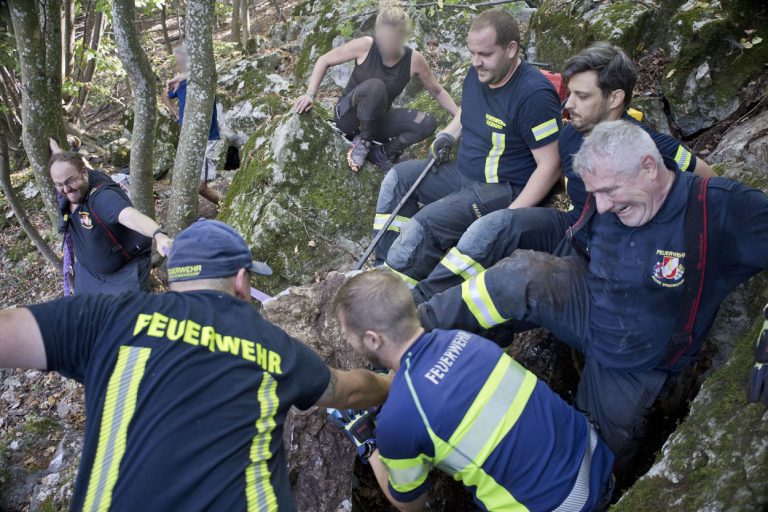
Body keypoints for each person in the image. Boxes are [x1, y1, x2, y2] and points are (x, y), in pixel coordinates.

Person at [419, 120, 768, 471]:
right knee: (516, 276)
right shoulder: (616, 197)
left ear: (649, 166)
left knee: (591, 463)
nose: (600, 207)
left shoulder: (718, 208)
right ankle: (417, 330)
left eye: (609, 191)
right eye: (594, 192)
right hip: (590, 304)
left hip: (634, 361)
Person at [0, 219, 391, 510]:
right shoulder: (274, 348)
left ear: (173, 281)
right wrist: (391, 382)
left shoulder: (107, 317)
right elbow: (349, 389)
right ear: (241, 281)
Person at [412, 42, 715, 303]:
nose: (568, 105)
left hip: (607, 253)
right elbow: (553, 174)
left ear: (615, 98)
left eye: (582, 96)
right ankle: (420, 302)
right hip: (568, 228)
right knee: (492, 227)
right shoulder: (570, 135)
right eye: (569, 94)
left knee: (515, 279)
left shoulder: (649, 146)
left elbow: (707, 178)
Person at [329, 270, 615, 512]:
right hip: (598, 460)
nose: (348, 341)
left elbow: (409, 504)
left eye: (347, 335)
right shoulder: (461, 338)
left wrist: (368, 441)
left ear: (372, 339)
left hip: (563, 505)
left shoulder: (396, 422)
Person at [372, 8, 562, 286]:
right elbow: (467, 112)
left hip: (502, 187)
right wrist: (448, 135)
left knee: (427, 223)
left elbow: (551, 165)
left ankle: (394, 291)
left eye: (485, 54)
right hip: (463, 173)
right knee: (397, 179)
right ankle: (384, 265)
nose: (476, 62)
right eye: (473, 53)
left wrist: (510, 217)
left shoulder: (534, 95)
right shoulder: (478, 74)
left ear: (511, 49)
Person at [293, 0, 458, 172]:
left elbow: (437, 91)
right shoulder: (366, 45)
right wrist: (310, 95)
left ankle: (382, 153)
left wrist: (459, 116)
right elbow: (324, 60)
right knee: (376, 87)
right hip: (348, 117)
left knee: (426, 123)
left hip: (378, 122)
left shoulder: (414, 60)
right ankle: (362, 143)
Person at [50, 151, 173, 295]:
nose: (65, 189)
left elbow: (129, 216)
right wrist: (54, 147)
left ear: (84, 172)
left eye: (70, 181)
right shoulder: (72, 173)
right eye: (59, 185)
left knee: (128, 315)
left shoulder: (103, 198)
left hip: (123, 275)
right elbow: (62, 162)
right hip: (88, 274)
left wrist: (159, 235)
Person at [162, 45, 230, 205]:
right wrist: (175, 111)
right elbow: (165, 94)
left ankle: (228, 208)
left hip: (209, 139)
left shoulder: (203, 80)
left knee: (201, 187)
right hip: (189, 139)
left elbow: (206, 72)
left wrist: (180, 77)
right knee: (187, 184)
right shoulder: (180, 83)